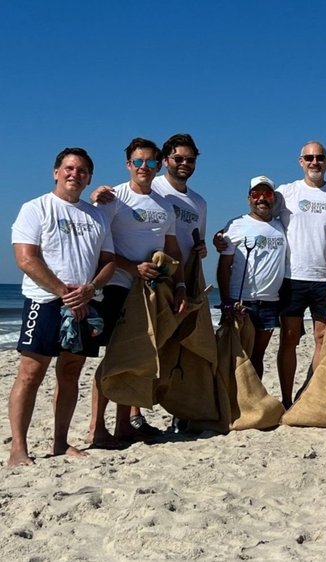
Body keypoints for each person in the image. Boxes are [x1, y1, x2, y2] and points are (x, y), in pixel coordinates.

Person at [7, 148, 115, 467]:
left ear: (89, 178)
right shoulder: (35, 208)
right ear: (56, 172)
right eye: (69, 168)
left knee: (70, 373)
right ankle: (18, 448)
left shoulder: (96, 215)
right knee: (30, 373)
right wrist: (62, 291)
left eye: (82, 171)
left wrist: (90, 288)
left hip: (85, 304)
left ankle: (59, 442)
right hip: (45, 302)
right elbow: (26, 258)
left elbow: (108, 261)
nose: (74, 174)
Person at [89, 138, 187, 445]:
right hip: (118, 287)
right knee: (112, 360)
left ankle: (123, 426)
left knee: (132, 359)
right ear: (129, 165)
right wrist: (132, 267)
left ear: (159, 166)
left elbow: (172, 250)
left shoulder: (165, 205)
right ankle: (96, 427)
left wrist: (181, 286)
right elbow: (99, 249)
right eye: (138, 162)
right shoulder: (113, 198)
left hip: (150, 292)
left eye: (151, 162)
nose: (144, 168)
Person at [274, 141, 326, 408]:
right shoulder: (285, 193)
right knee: (289, 338)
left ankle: (309, 396)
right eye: (309, 157)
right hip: (291, 277)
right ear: (300, 161)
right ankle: (286, 398)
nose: (314, 162)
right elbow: (260, 218)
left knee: (323, 339)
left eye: (319, 157)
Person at [93, 133, 207, 272]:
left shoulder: (199, 202)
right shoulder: (151, 184)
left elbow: (197, 241)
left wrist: (202, 248)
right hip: (131, 275)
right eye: (178, 159)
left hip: (176, 275)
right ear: (165, 161)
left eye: (190, 160)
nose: (184, 163)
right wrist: (95, 196)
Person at [217, 176, 287, 380]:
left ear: (273, 198)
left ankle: (253, 403)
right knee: (237, 356)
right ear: (249, 198)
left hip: (270, 302)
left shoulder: (282, 225)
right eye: (256, 194)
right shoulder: (237, 224)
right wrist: (226, 301)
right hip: (242, 302)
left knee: (257, 356)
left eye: (267, 194)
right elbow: (224, 266)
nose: (262, 199)